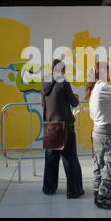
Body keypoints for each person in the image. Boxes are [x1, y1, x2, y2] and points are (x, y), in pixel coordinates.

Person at [85, 62, 111, 210]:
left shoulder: (96, 88)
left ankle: (98, 193)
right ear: (102, 71)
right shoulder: (103, 86)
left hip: (97, 132)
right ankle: (104, 197)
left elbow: (107, 104)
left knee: (100, 164)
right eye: (109, 70)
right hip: (105, 132)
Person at [41, 59, 84, 199]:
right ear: (62, 70)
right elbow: (73, 102)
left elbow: (44, 103)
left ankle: (48, 188)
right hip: (64, 125)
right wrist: (75, 98)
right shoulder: (63, 82)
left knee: (51, 159)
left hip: (49, 125)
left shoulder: (45, 82)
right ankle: (74, 191)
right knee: (70, 159)